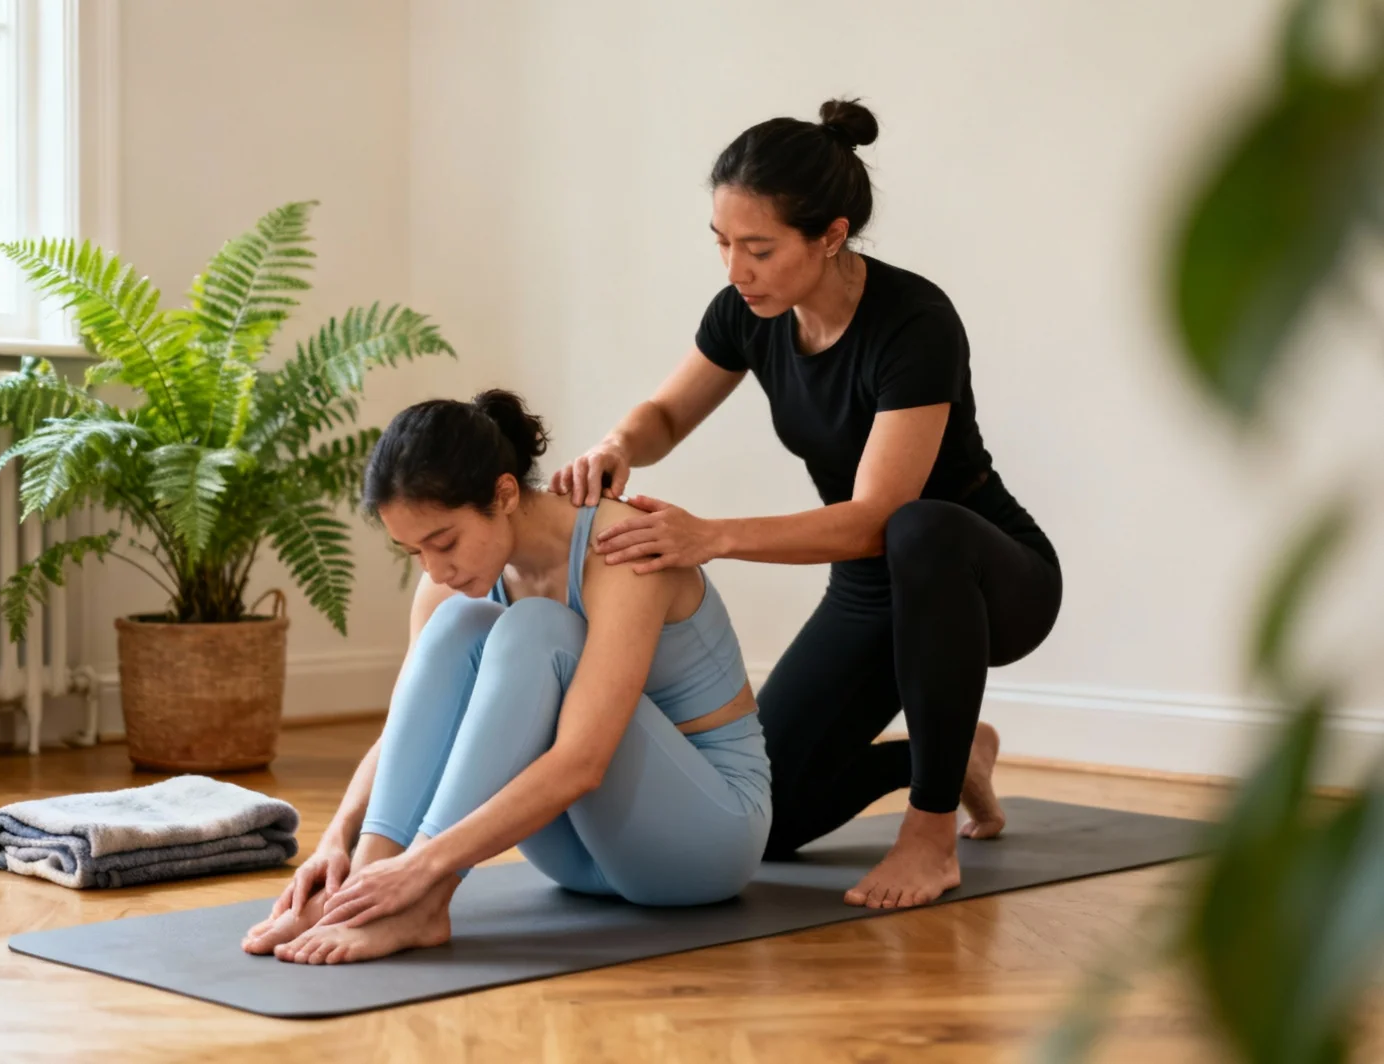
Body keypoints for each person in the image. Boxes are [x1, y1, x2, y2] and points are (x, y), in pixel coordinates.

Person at [551, 99, 1062, 911]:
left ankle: (930, 835)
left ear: (832, 235)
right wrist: (616, 445)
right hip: (871, 585)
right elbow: (667, 417)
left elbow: (874, 516)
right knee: (766, 815)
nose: (735, 270)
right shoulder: (747, 315)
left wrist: (709, 536)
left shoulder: (914, 323)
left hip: (986, 574)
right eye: (722, 244)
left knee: (916, 526)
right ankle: (949, 755)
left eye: (759, 249)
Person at [241, 390, 771, 965]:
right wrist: (340, 838)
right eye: (413, 552)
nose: (435, 567)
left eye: (444, 542)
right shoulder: (450, 579)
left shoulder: (619, 544)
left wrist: (422, 867)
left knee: (538, 628)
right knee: (460, 622)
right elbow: (407, 729)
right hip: (577, 858)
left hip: (701, 839)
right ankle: (361, 895)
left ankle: (422, 901)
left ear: (505, 492)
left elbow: (583, 762)